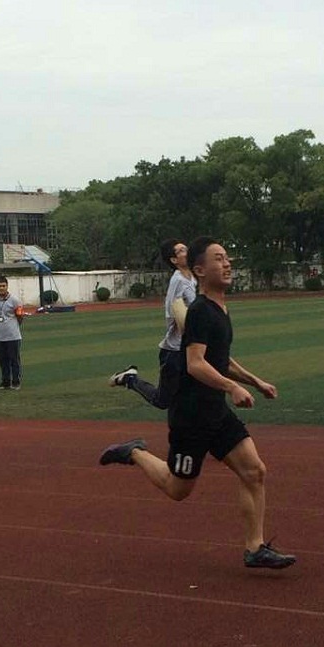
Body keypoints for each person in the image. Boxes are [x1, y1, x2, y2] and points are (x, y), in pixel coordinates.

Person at [99, 237, 295, 570]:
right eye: (219, 258)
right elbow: (195, 364)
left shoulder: (219, 309)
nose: (227, 263)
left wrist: (255, 381)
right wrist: (232, 387)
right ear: (200, 270)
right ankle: (134, 452)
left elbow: (221, 359)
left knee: (254, 472)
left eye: (228, 257)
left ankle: (255, 547)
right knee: (178, 489)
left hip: (215, 411)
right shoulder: (201, 311)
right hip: (191, 417)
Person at [108, 239, 196, 408]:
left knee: (191, 395)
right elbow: (172, 310)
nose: (187, 251)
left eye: (186, 248)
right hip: (175, 351)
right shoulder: (178, 280)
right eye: (181, 250)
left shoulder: (193, 278)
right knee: (162, 401)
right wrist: (188, 330)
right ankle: (130, 379)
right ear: (174, 260)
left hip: (190, 347)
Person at [0, 274, 23, 390]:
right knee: (3, 361)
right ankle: (5, 382)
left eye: (3, 286)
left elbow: (20, 316)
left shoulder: (14, 300)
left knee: (14, 360)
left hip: (12, 336)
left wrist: (13, 327)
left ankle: (16, 382)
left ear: (7, 286)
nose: (2, 288)